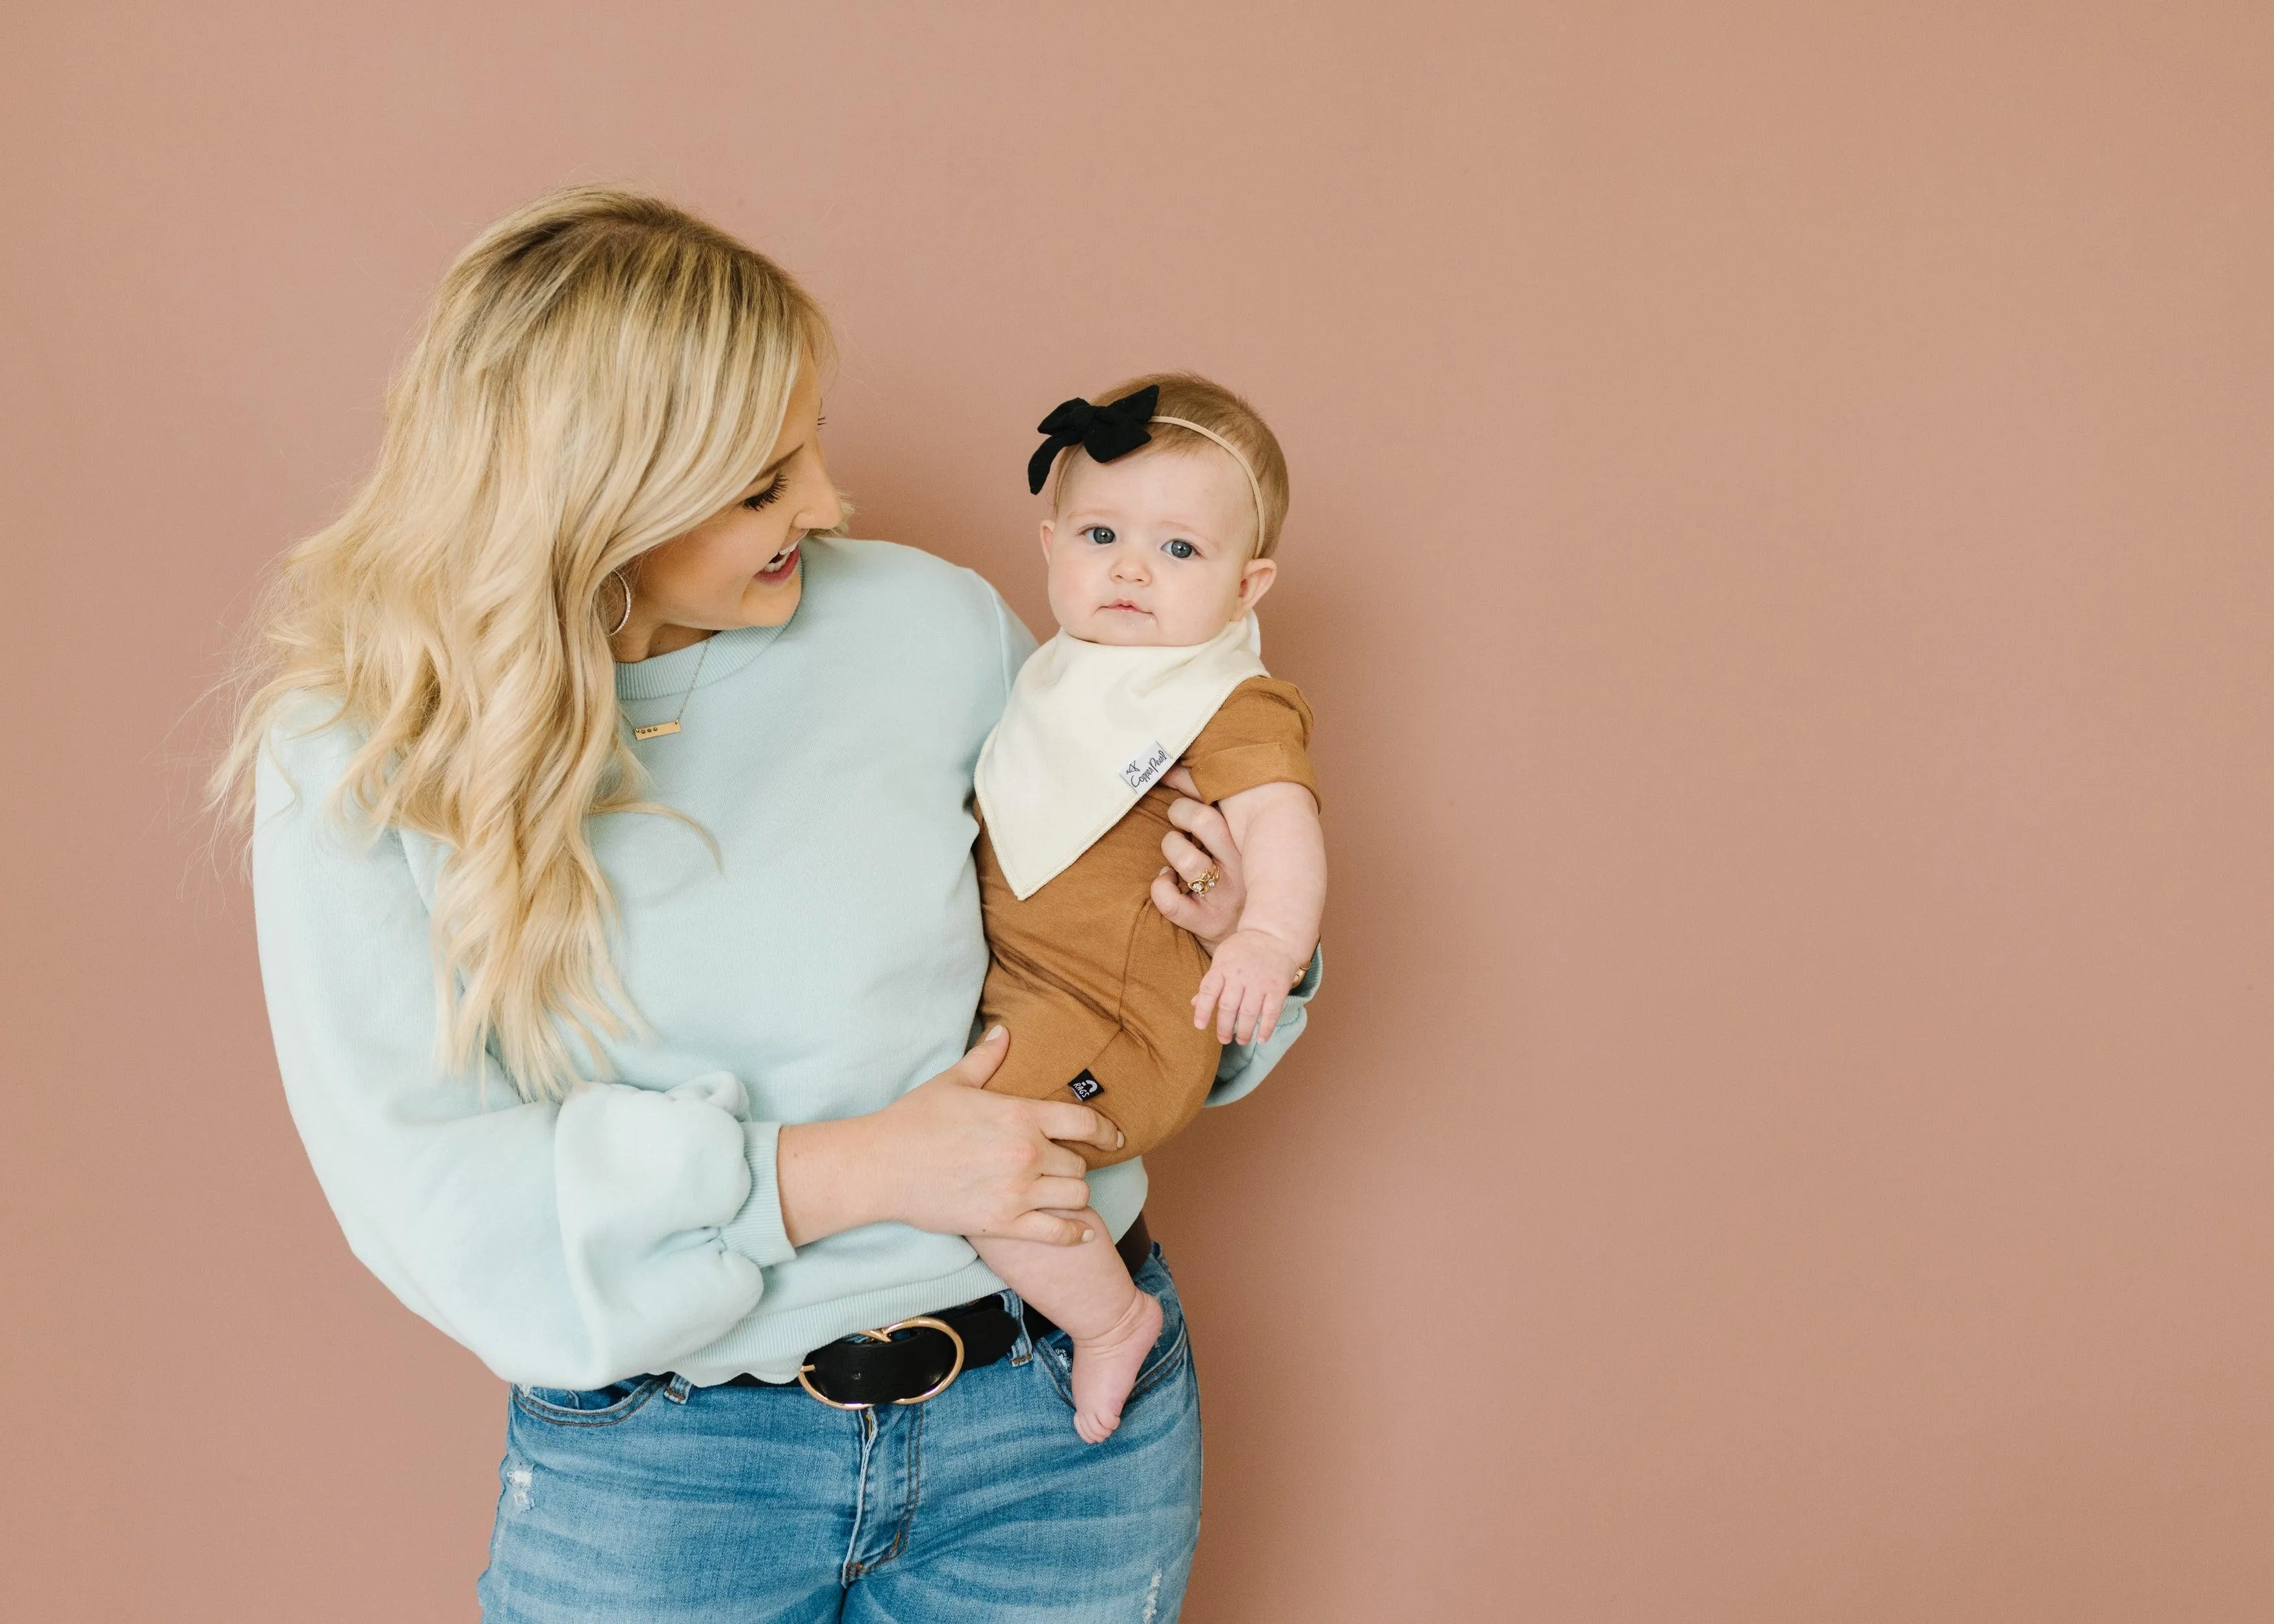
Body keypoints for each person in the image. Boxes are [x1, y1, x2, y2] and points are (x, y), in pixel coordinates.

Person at [214, 186, 1319, 1622]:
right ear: (592, 502)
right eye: (757, 484)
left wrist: (1239, 939)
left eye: (809, 445)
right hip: (668, 1474)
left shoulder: (930, 625)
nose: (826, 503)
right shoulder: (360, 749)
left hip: (1054, 1435)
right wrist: (861, 1168)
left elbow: (1139, 999)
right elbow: (430, 1192)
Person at [968, 374, 1327, 1443]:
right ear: (1048, 542)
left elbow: (1281, 822)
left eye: (1180, 551)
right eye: (1101, 534)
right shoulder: (1049, 678)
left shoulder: (1222, 697)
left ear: (1248, 583)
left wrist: (1262, 938)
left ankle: (1112, 1320)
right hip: (1032, 994)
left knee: (989, 1161)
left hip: (1122, 1023)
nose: (1130, 568)